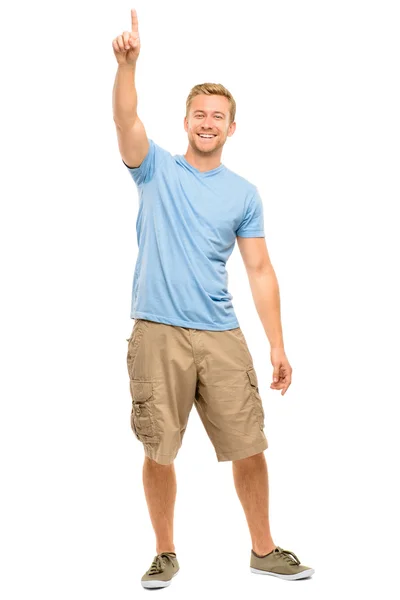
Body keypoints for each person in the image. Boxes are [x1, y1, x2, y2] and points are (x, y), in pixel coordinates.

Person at [112, 8, 315, 589]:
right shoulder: (154, 168)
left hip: (221, 335)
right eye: (199, 114)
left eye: (218, 117)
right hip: (157, 332)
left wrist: (277, 345)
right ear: (184, 122)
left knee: (249, 445)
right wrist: (128, 67)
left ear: (231, 128)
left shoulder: (244, 193)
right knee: (160, 449)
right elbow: (125, 118)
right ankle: (165, 552)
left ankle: (264, 549)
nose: (208, 123)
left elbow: (260, 269)